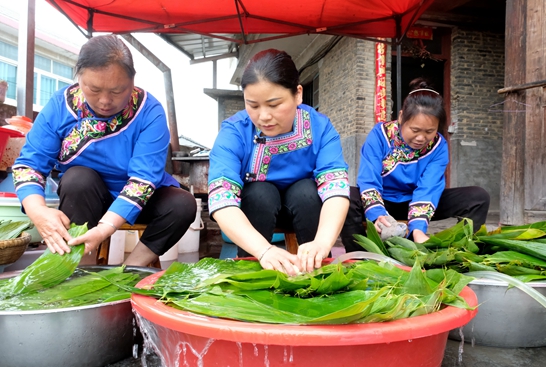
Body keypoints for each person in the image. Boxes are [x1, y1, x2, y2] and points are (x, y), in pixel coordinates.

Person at [12, 35, 197, 266]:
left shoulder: (150, 112)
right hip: (87, 198)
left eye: (118, 91)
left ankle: (132, 269)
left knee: (182, 204)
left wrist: (105, 229)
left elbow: (143, 179)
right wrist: (37, 210)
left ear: (133, 81)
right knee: (78, 179)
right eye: (94, 89)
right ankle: (81, 268)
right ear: (79, 78)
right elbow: (29, 165)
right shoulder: (60, 105)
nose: (105, 101)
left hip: (141, 199)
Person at [208, 49, 350, 274]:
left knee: (306, 192)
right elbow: (221, 200)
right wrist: (263, 250)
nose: (263, 116)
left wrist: (322, 243)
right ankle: (250, 271)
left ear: (298, 94)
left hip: (306, 208)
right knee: (259, 194)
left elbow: (336, 190)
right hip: (257, 211)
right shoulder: (234, 132)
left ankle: (316, 269)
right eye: (253, 105)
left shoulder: (320, 127)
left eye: (274, 104)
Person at [341, 78, 490, 251]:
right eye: (415, 130)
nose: (421, 138)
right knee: (347, 196)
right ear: (401, 117)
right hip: (382, 201)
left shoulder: (439, 146)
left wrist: (418, 229)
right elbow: (369, 179)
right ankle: (359, 255)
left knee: (478, 197)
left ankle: (461, 252)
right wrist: (378, 215)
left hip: (417, 202)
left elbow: (428, 188)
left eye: (429, 131)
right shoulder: (380, 135)